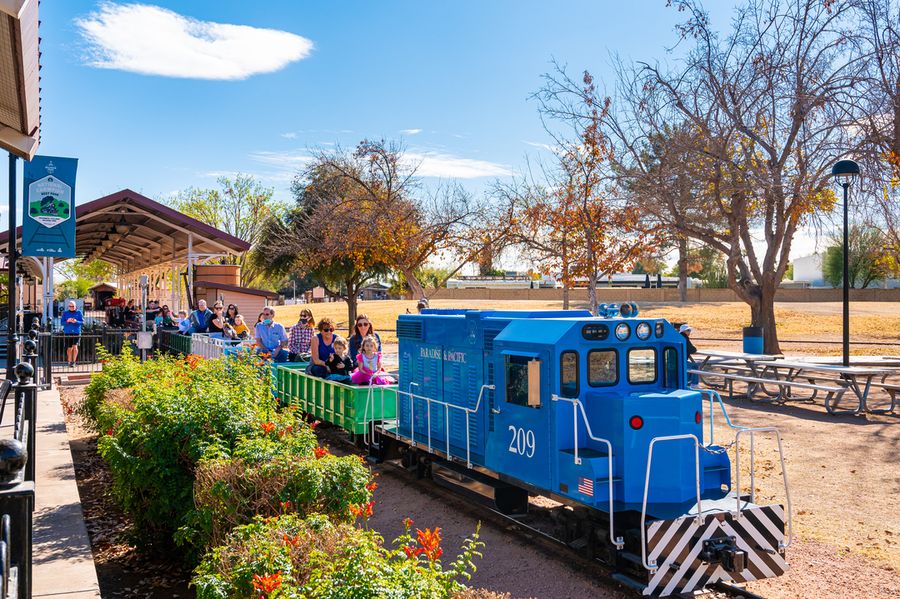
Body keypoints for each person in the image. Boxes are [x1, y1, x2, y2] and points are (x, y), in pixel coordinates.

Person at [61, 300, 83, 368]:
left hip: (76, 332)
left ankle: (74, 362)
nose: (71, 307)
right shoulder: (65, 313)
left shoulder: (79, 312)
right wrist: (67, 321)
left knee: (75, 347)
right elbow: (62, 322)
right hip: (68, 332)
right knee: (69, 348)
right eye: (70, 306)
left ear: (75, 306)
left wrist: (76, 321)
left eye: (73, 306)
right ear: (68, 306)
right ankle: (69, 361)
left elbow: (82, 322)